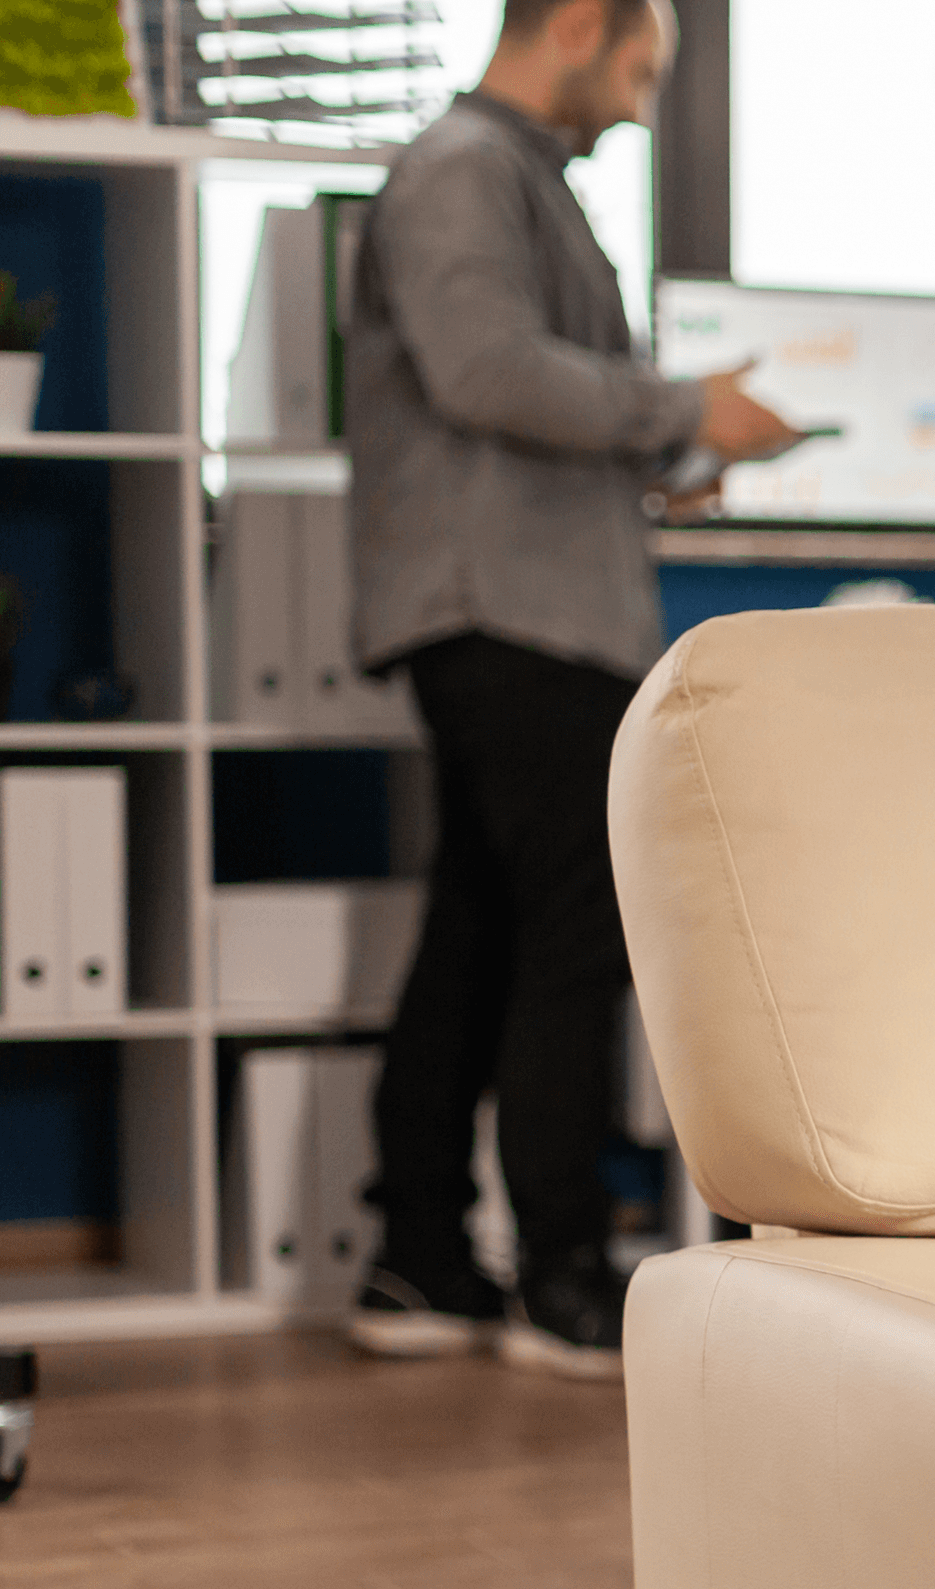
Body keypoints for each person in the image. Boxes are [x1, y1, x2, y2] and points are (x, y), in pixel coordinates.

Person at [342, 0, 802, 1377]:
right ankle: (560, 1270)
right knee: (574, 935)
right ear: (579, 26)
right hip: (513, 616)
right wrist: (682, 409)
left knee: (480, 932)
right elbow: (485, 370)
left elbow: (521, 392)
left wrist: (657, 456)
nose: (645, 106)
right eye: (643, 72)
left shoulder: (510, 176)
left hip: (519, 607)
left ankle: (422, 1257)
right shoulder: (464, 170)